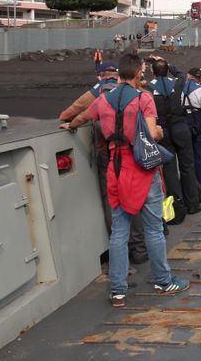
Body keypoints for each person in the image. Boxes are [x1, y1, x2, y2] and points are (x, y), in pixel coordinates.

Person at [88, 52, 189, 308]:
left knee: (119, 231)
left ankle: (118, 291)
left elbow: (84, 116)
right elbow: (152, 134)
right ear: (138, 72)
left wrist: (68, 123)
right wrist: (159, 131)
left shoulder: (103, 101)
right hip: (141, 168)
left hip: (116, 167)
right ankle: (163, 281)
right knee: (154, 228)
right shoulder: (144, 98)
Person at [60, 68, 147, 264]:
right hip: (130, 154)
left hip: (107, 156)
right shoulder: (135, 95)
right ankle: (140, 249)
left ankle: (119, 252)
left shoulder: (100, 97)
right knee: (134, 200)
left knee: (112, 203)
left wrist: (70, 124)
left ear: (101, 77)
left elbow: (78, 113)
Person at [146, 58, 201, 214]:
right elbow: (182, 75)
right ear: (166, 70)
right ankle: (193, 204)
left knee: (170, 170)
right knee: (187, 166)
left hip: (163, 130)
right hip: (180, 127)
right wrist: (169, 65)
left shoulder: (149, 88)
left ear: (153, 72)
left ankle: (177, 207)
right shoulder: (177, 83)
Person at [183, 67, 201, 204]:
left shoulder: (181, 90)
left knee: (190, 159)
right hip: (200, 127)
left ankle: (192, 189)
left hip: (186, 125)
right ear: (199, 78)